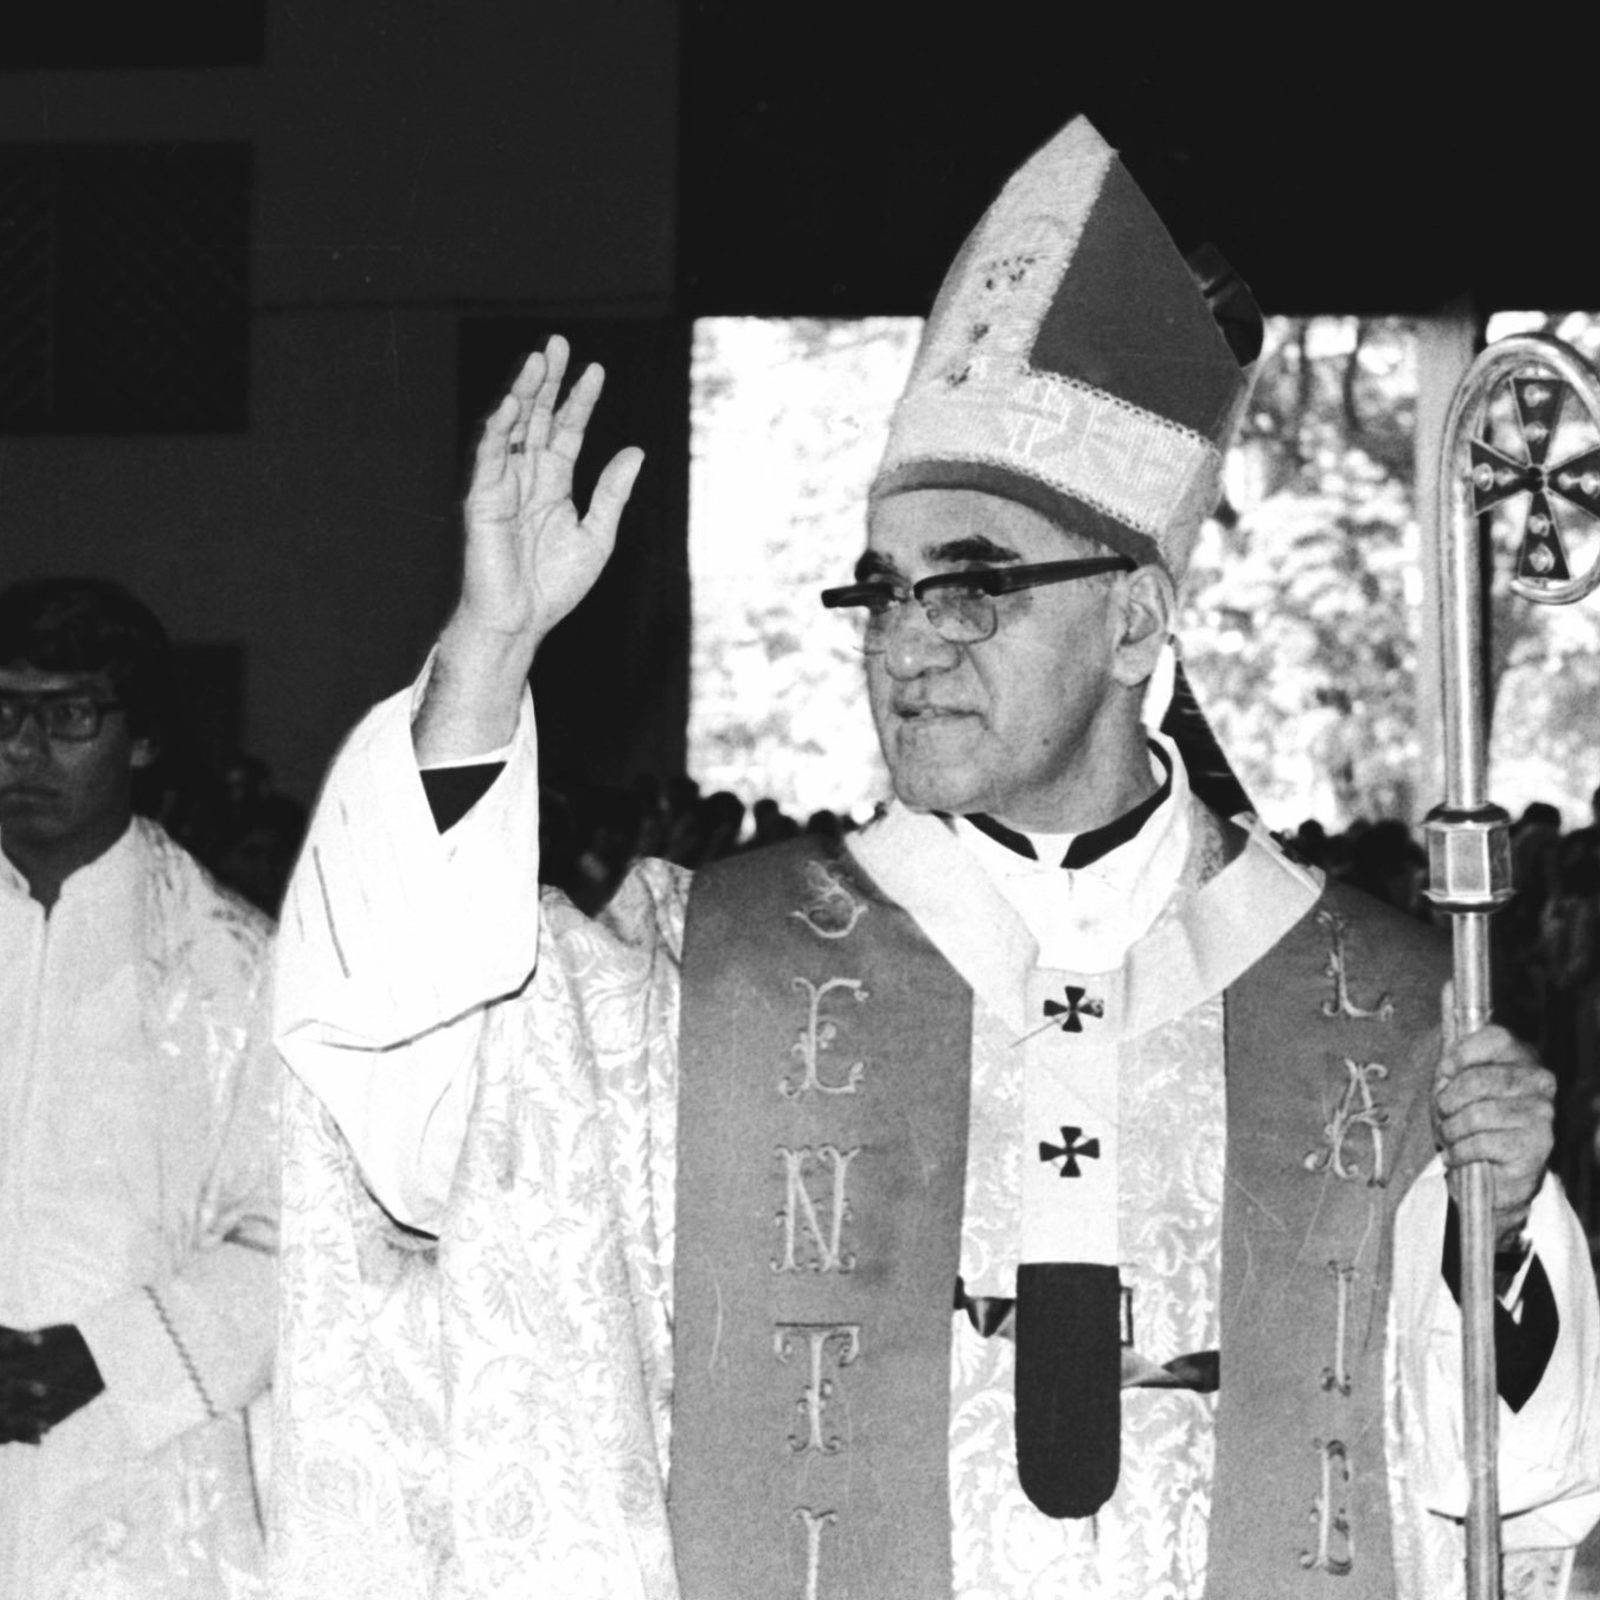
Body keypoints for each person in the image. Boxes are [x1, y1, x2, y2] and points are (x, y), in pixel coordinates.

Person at [272, 119, 1600, 1599]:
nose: (908, 647)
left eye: (972, 593)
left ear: (1138, 624)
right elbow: (415, 1110)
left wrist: (1502, 1240)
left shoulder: (1377, 1007)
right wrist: (490, 649)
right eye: (884, 595)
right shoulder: (718, 973)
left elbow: (1513, 1492)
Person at [0, 577, 278, 1597]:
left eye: (68, 713)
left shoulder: (239, 971)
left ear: (145, 737)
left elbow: (304, 1234)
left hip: (139, 1443)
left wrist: (103, 1354)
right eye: (2, 710)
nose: (24, 747)